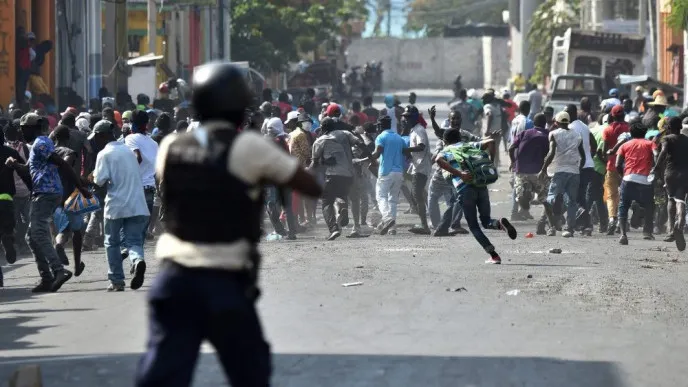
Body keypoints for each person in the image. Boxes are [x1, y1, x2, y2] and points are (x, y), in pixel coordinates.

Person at [135, 62, 322, 387]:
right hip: (225, 282)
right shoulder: (248, 146)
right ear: (240, 107)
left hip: (174, 279)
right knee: (251, 374)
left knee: (162, 376)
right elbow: (310, 185)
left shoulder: (172, 146)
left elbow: (170, 189)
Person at [16, 113, 89, 292]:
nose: (22, 132)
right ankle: (47, 278)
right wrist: (15, 165)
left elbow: (63, 164)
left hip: (46, 193)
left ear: (33, 127)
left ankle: (58, 270)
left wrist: (80, 186)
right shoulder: (38, 145)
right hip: (44, 192)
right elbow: (32, 169)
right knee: (31, 237)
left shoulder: (41, 143)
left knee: (38, 233)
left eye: (25, 128)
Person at [435, 129, 517, 264]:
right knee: (486, 221)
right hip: (481, 186)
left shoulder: (446, 150)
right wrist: (491, 162)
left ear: (445, 141)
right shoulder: (469, 145)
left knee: (474, 226)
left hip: (464, 188)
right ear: (460, 137)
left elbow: (438, 159)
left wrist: (460, 174)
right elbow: (491, 141)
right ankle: (499, 223)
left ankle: (494, 255)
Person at [91, 120, 150, 291]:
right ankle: (137, 260)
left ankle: (117, 280)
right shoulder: (128, 150)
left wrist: (91, 177)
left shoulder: (104, 154)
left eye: (96, 137)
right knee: (133, 241)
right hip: (137, 203)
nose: (95, 140)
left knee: (111, 242)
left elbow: (99, 181)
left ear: (103, 135)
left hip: (116, 205)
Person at [310, 117, 364, 240]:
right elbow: (360, 144)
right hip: (349, 175)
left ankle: (333, 229)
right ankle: (342, 208)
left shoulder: (320, 141)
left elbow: (314, 164)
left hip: (332, 175)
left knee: (326, 202)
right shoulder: (345, 134)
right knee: (341, 195)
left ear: (323, 128)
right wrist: (369, 158)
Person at [538, 111, 586, 238]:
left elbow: (551, 153)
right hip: (574, 171)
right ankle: (569, 229)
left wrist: (543, 169)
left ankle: (552, 227)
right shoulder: (577, 135)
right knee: (571, 201)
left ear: (556, 123)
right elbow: (583, 156)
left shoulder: (553, 134)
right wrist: (578, 169)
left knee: (550, 199)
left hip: (558, 171)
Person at [50, 125, 86, 276]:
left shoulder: (49, 153)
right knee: (77, 231)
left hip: (52, 195)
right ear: (68, 138)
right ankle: (77, 265)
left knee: (63, 229)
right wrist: (81, 183)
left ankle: (59, 246)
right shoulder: (69, 152)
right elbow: (66, 168)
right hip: (69, 195)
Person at [0, 126, 32, 287]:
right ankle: (8, 237)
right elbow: (24, 171)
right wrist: (32, 188)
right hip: (6, 197)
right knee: (7, 228)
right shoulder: (10, 152)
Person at [615, 121, 655, 245]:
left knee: (623, 205)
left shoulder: (625, 145)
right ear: (645, 133)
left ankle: (623, 235)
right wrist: (655, 169)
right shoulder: (650, 144)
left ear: (631, 133)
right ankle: (647, 232)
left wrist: (623, 176)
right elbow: (657, 154)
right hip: (645, 180)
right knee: (649, 205)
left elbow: (617, 164)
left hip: (628, 178)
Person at [125, 110, 160, 243]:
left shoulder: (130, 139)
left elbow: (137, 157)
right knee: (141, 230)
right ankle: (138, 257)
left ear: (133, 124)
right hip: (149, 189)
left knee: (130, 228)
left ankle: (130, 254)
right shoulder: (153, 143)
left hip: (135, 188)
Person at [369, 115, 406, 235]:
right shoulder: (399, 138)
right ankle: (392, 227)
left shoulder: (381, 137)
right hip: (399, 172)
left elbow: (377, 152)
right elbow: (405, 151)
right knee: (393, 200)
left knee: (381, 197)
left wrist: (367, 157)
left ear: (380, 125)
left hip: (386, 171)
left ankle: (387, 217)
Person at [509, 113, 549, 222]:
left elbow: (511, 148)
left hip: (521, 169)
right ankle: (546, 221)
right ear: (545, 124)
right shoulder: (548, 135)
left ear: (533, 124)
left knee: (519, 189)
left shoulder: (524, 133)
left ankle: (524, 199)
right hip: (538, 171)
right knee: (545, 197)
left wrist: (513, 162)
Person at [656, 117, 688, 250]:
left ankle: (670, 231)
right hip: (685, 174)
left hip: (670, 174)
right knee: (681, 200)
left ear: (668, 127)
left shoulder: (666, 139)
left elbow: (663, 151)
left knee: (670, 199)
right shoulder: (686, 139)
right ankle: (679, 224)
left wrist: (657, 166)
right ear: (680, 127)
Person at [566, 104, 597, 236]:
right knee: (580, 197)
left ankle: (577, 224)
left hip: (578, 166)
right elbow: (593, 143)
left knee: (572, 197)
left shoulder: (571, 128)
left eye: (566, 112)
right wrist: (591, 156)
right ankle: (585, 226)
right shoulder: (584, 126)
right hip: (588, 165)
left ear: (572, 113)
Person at [403, 106, 432, 234]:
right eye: (405, 117)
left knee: (416, 194)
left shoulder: (419, 130)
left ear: (414, 117)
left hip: (421, 167)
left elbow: (421, 146)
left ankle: (424, 225)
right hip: (416, 166)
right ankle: (426, 221)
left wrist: (406, 150)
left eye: (408, 117)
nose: (405, 119)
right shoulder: (413, 130)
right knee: (417, 192)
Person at [602, 105, 630, 234]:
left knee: (612, 196)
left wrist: (606, 162)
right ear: (624, 115)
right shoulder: (629, 128)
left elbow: (604, 150)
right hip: (627, 167)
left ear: (612, 116)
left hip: (612, 166)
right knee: (625, 195)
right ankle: (621, 221)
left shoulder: (608, 129)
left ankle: (612, 219)